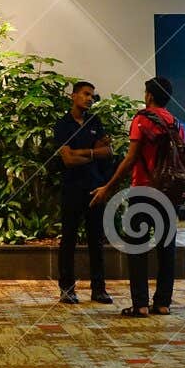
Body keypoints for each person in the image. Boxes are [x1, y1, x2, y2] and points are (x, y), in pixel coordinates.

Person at [90, 77, 184, 318]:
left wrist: (108, 187)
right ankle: (163, 303)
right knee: (167, 248)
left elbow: (131, 158)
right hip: (168, 192)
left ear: (149, 96)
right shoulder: (175, 123)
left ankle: (140, 304)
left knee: (137, 247)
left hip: (143, 189)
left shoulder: (142, 120)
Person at [53, 81, 114, 304]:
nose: (90, 98)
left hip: (95, 188)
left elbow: (107, 152)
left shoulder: (94, 121)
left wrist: (83, 152)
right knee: (68, 239)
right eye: (86, 94)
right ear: (73, 96)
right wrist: (93, 152)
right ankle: (67, 289)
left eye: (92, 95)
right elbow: (68, 160)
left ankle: (99, 289)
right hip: (71, 188)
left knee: (96, 241)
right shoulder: (63, 125)